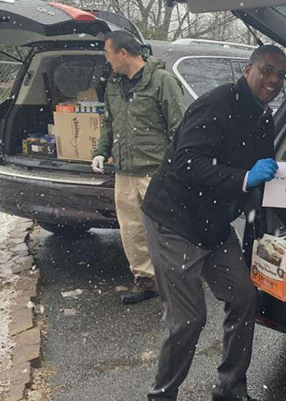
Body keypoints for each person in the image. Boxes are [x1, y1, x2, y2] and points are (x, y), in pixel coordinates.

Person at [140, 44, 286, 401]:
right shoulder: (217, 103)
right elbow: (187, 162)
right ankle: (162, 395)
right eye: (267, 70)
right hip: (175, 220)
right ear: (248, 70)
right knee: (188, 319)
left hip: (215, 224)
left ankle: (230, 388)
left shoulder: (264, 117)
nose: (273, 80)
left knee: (243, 298)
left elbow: (262, 173)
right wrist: (243, 177)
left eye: (280, 75)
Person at [92, 30, 186, 304]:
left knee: (166, 232)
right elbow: (109, 122)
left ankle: (177, 285)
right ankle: (147, 282)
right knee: (132, 232)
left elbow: (179, 129)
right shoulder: (113, 85)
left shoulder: (161, 81)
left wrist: (174, 171)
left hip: (156, 173)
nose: (106, 59)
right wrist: (101, 151)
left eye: (108, 52)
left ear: (123, 53)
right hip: (125, 173)